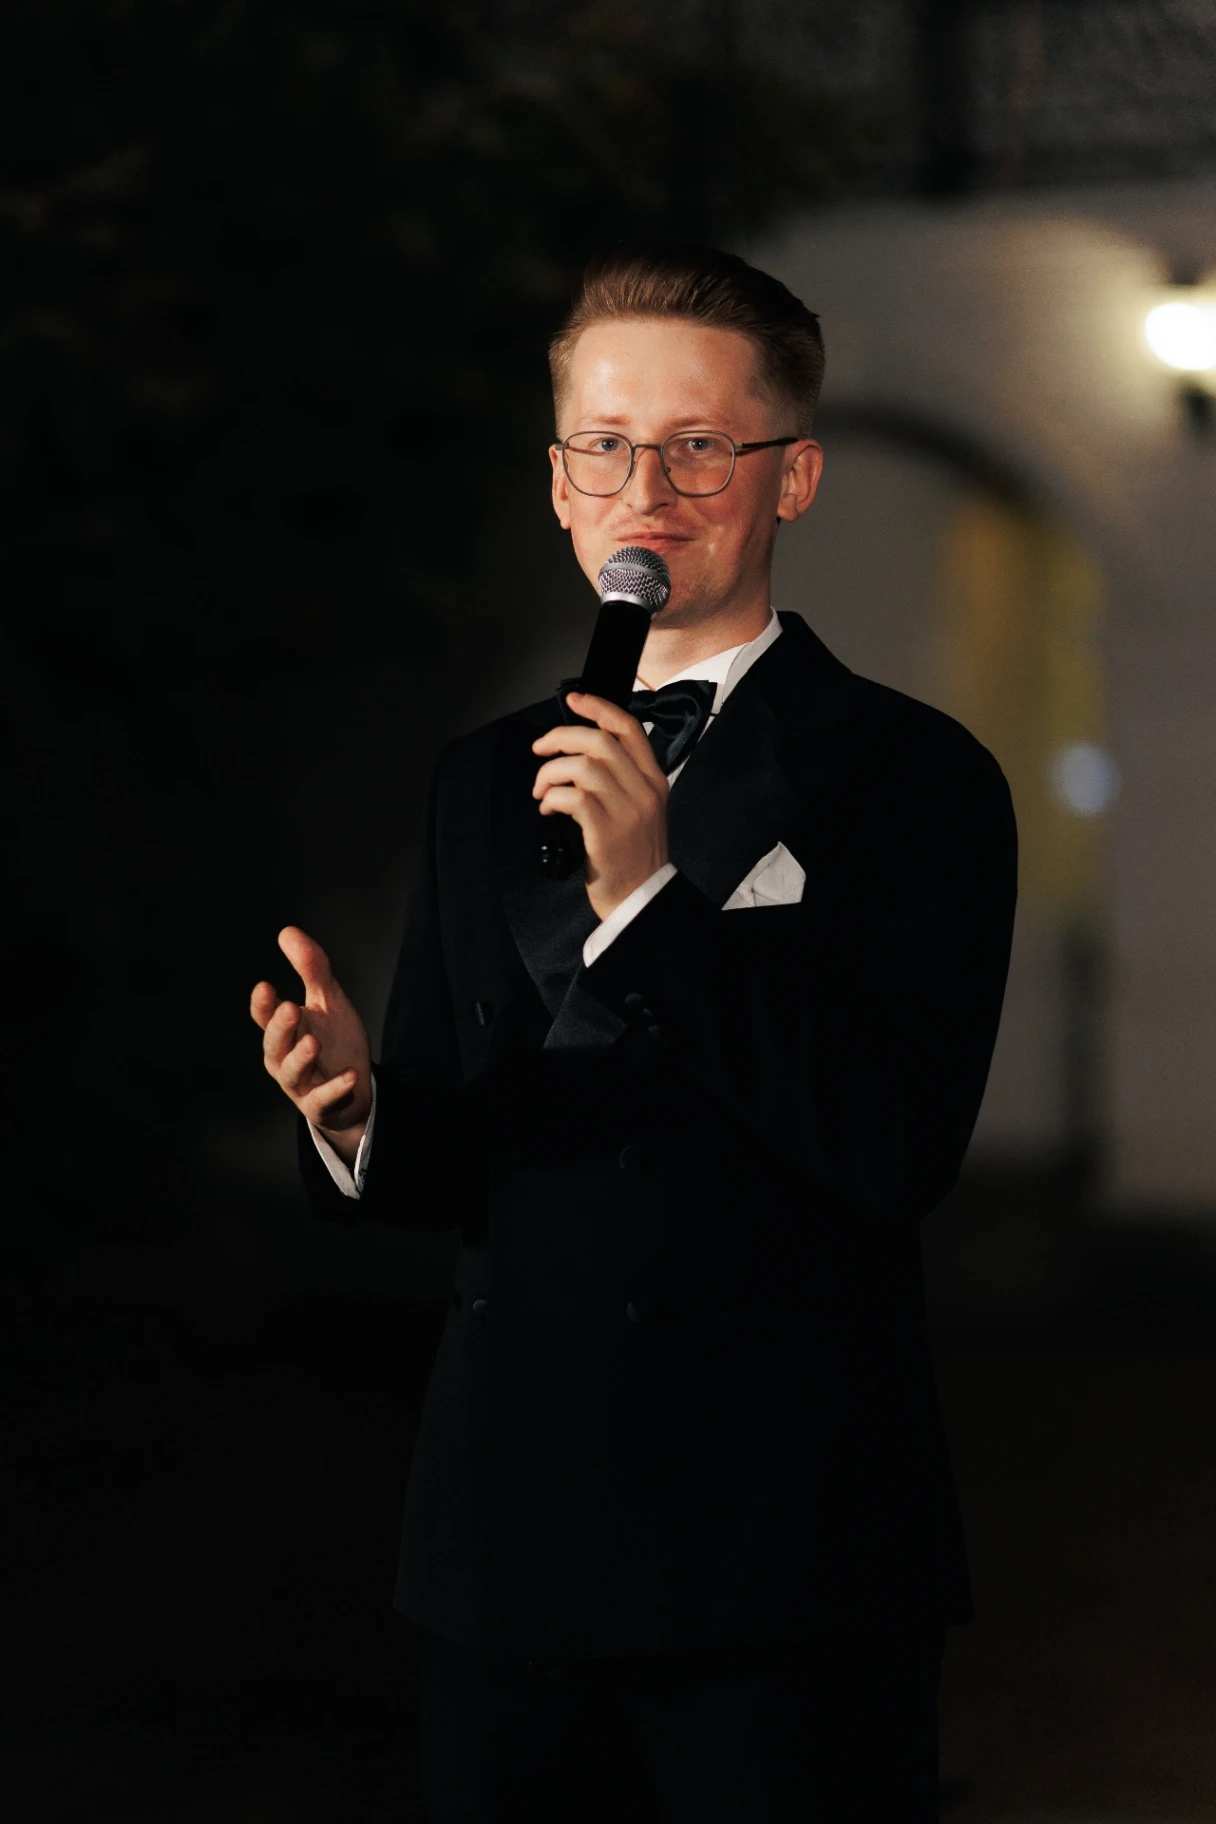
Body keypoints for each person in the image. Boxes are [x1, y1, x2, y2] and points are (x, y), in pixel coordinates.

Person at [249, 242, 1018, 1822]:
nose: (644, 491)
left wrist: (655, 904)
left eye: (697, 445)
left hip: (786, 1555)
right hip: (505, 1553)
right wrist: (359, 1111)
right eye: (604, 445)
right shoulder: (481, 779)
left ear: (792, 476)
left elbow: (891, 1146)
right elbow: (476, 1147)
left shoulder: (915, 777)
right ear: (557, 483)